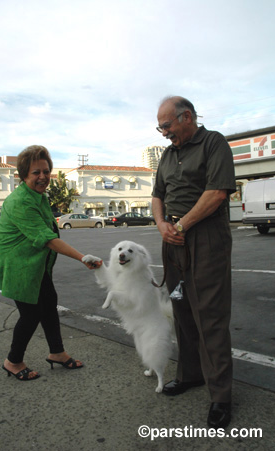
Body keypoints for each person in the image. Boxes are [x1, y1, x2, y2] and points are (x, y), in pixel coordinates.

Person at [152, 96, 236, 428]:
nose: (163, 133)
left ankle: (221, 395)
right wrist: (162, 225)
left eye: (167, 125)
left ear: (186, 117)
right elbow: (157, 195)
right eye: (160, 127)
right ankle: (190, 375)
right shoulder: (168, 155)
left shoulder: (213, 143)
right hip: (173, 241)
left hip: (205, 239)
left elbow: (217, 192)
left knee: (210, 316)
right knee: (181, 307)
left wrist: (181, 225)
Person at [0, 145, 102, 381]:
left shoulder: (39, 196)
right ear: (23, 176)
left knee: (49, 304)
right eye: (35, 173)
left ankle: (57, 352)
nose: (42, 177)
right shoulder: (20, 201)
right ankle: (13, 361)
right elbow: (46, 238)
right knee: (30, 314)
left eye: (46, 171)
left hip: (36, 265)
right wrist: (82, 257)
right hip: (18, 265)